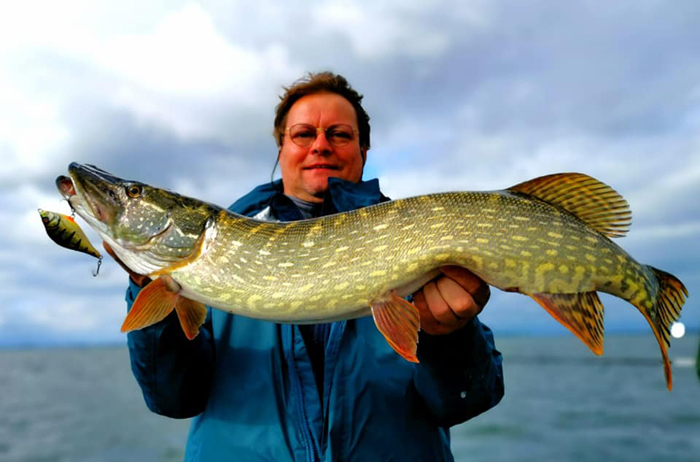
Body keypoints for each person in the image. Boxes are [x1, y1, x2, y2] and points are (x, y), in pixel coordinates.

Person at [107, 72, 504, 461]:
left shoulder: (414, 237)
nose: (321, 145)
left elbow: (465, 401)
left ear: (364, 151)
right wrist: (152, 298)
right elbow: (173, 398)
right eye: (303, 134)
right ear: (281, 149)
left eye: (340, 134)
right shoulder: (217, 250)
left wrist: (450, 337)